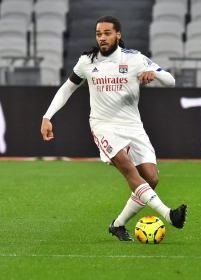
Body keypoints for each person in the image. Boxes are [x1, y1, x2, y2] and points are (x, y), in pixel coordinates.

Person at [40, 15, 187, 241]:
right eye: (99, 34)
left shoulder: (135, 59)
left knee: (151, 179)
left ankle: (118, 225)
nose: (102, 38)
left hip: (133, 125)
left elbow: (170, 80)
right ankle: (169, 215)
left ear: (118, 34)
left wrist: (154, 74)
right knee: (128, 168)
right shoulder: (87, 61)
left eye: (107, 33)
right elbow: (67, 89)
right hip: (103, 125)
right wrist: (48, 116)